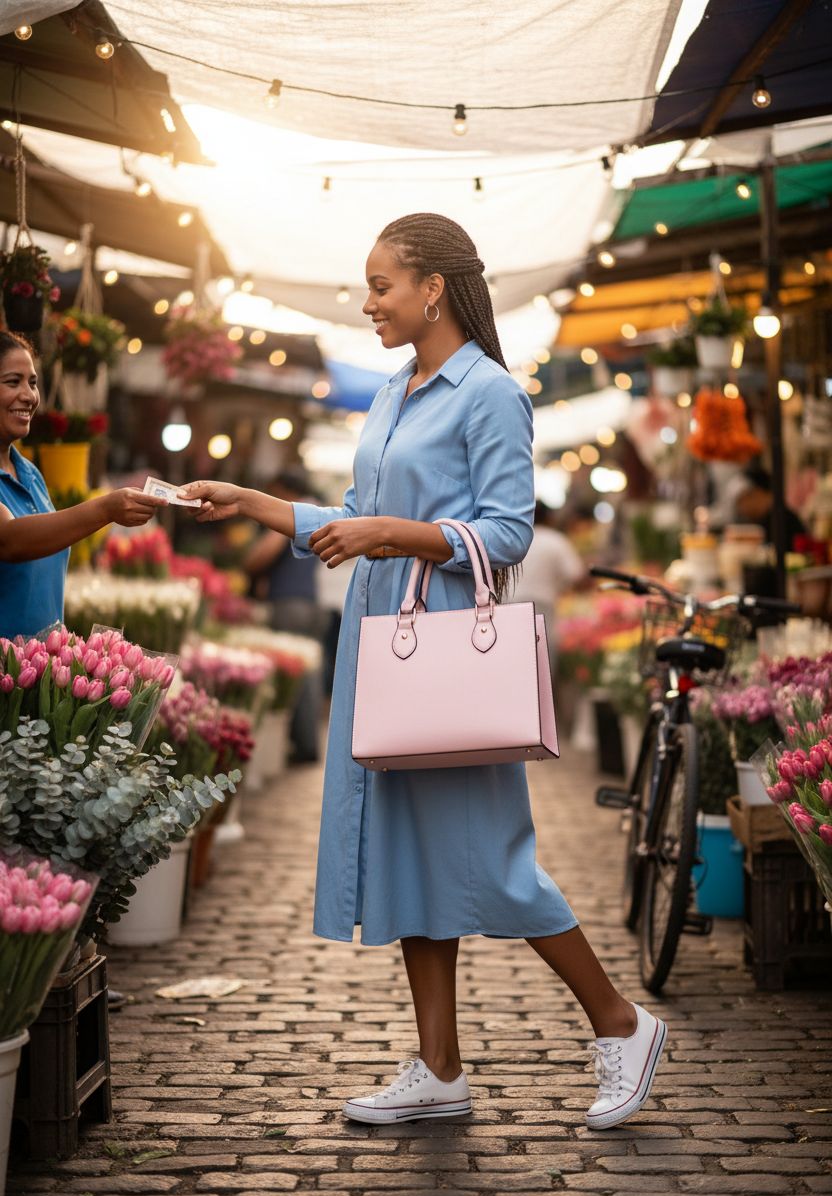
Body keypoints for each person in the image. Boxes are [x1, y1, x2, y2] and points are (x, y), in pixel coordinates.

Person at [180, 213, 667, 1131]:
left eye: (382, 285)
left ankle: (622, 1022)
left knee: (494, 859)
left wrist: (393, 536)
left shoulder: (489, 392)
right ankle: (439, 1067)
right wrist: (253, 503)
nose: (369, 304)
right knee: (410, 857)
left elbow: (509, 531)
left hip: (447, 655)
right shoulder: (398, 391)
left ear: (432, 288)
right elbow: (357, 510)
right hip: (390, 651)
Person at [0, 330, 167, 639]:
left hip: (33, 675)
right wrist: (105, 508)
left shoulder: (31, 474)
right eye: (13, 382)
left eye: (33, 382)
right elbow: (10, 540)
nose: (29, 395)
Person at [244, 468, 325, 762]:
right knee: (308, 673)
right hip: (309, 602)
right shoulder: (317, 508)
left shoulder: (300, 512)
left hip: (292, 605)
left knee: (299, 675)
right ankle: (306, 743)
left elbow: (259, 557)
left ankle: (304, 746)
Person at [509, 499, 584, 675]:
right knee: (542, 664)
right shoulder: (555, 540)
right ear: (549, 518)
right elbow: (577, 575)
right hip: (540, 606)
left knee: (512, 661)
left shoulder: (512, 538)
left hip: (506, 605)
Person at [734, 465, 807, 549]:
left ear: (759, 493)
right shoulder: (760, 520)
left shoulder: (783, 520)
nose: (741, 506)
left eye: (745, 498)